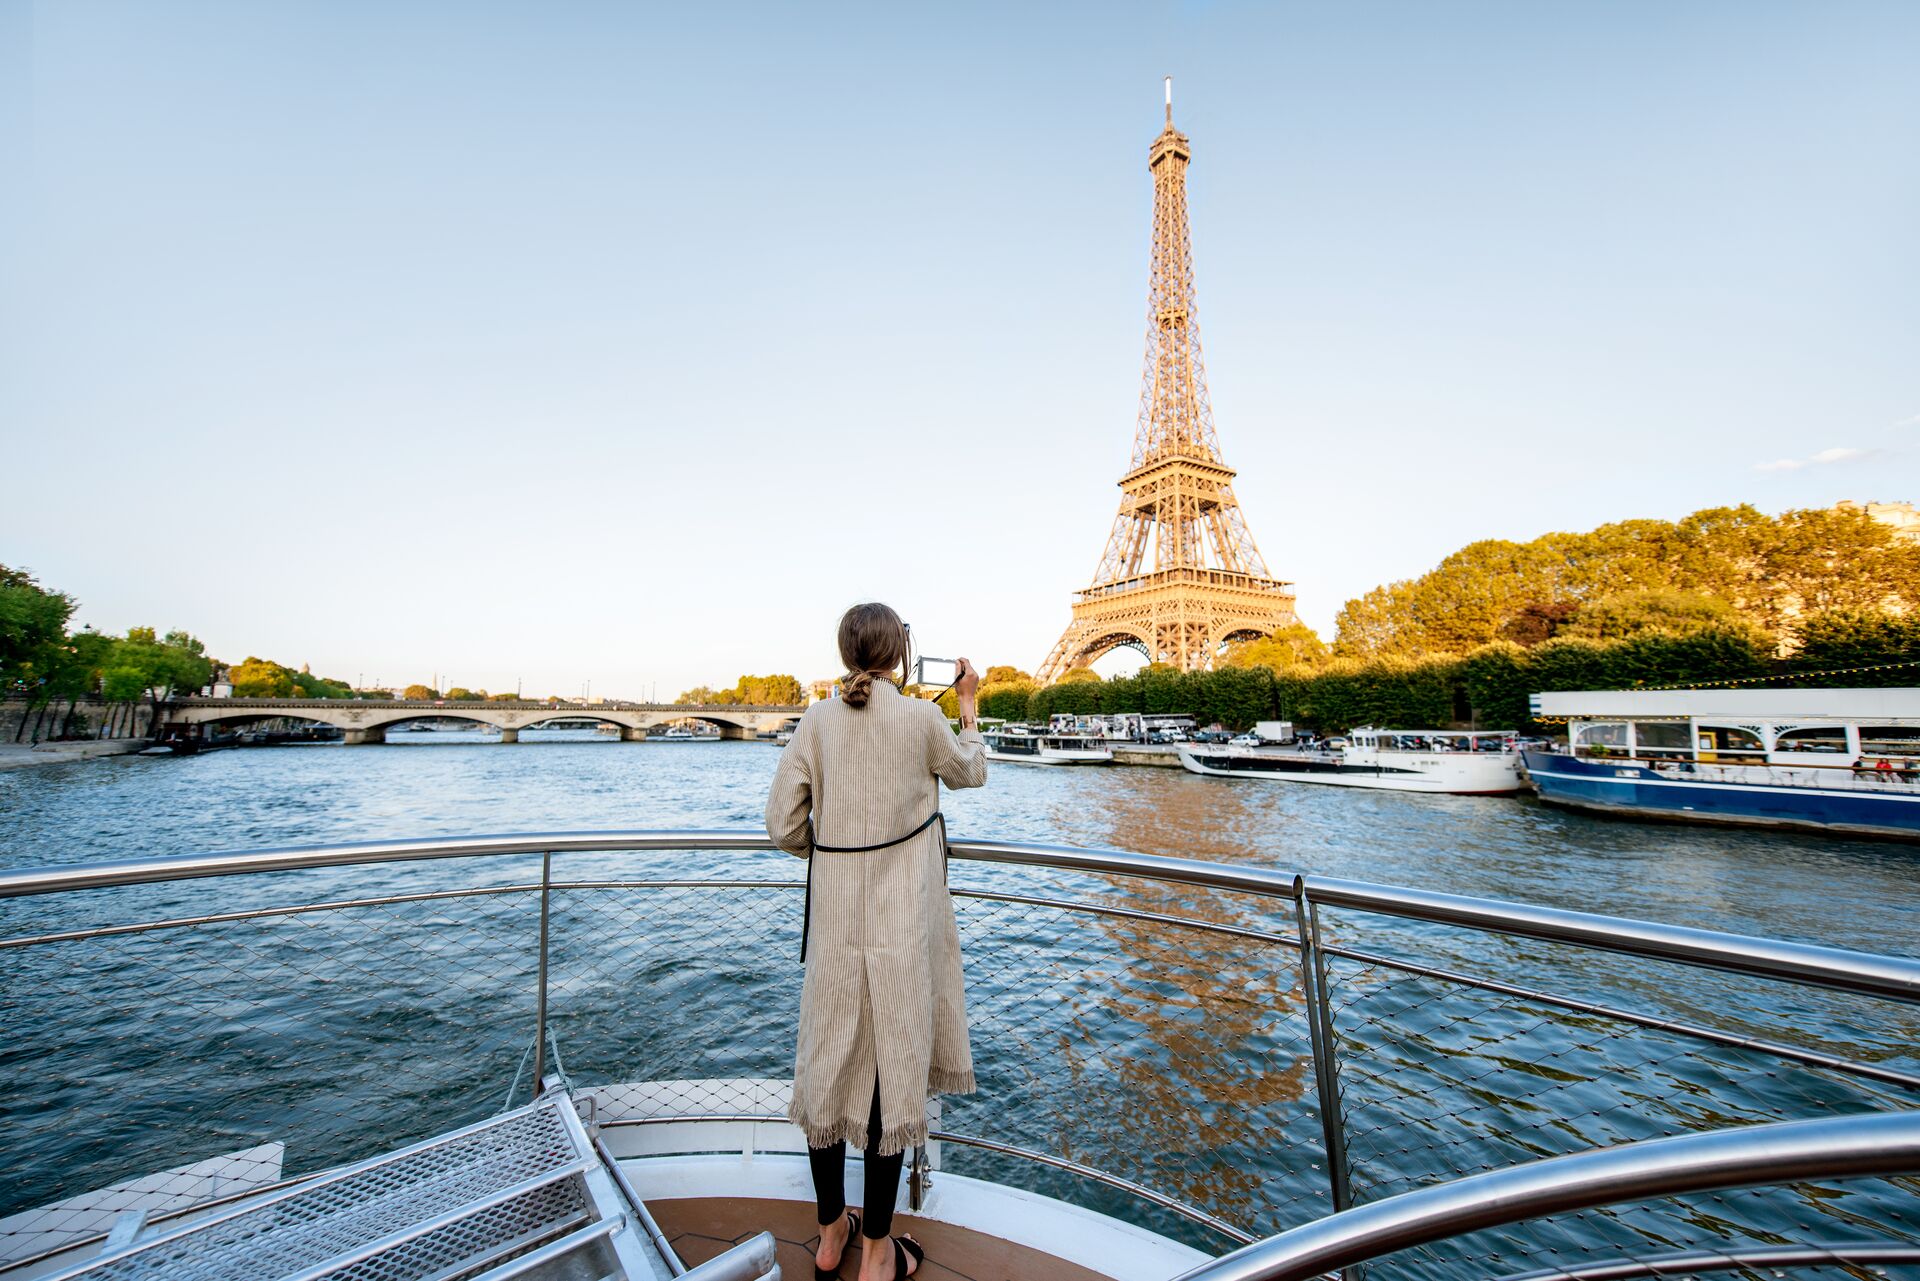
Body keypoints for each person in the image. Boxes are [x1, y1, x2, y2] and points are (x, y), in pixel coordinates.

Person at [765, 602, 988, 1281]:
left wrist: (832, 852)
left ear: (847, 653)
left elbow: (782, 824)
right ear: (899, 655)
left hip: (836, 929)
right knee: (892, 1077)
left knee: (829, 1073)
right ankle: (879, 1250)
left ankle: (830, 1232)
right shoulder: (922, 718)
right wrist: (968, 703)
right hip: (903, 932)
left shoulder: (818, 720)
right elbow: (970, 772)